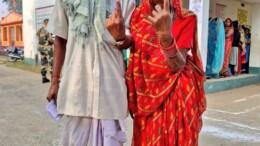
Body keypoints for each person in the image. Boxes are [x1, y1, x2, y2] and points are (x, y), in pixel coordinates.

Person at [46, 0, 135, 145]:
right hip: (77, 87)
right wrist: (55, 81)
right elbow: (60, 38)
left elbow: (131, 40)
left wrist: (121, 37)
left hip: (110, 88)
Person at [126, 0, 207, 145]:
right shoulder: (137, 15)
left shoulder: (186, 18)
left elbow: (177, 65)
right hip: (144, 96)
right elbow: (133, 47)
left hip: (175, 95)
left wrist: (166, 37)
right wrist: (120, 38)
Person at [36, 19, 54, 83]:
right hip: (47, 49)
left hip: (41, 49)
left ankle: (44, 78)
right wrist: (54, 42)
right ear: (47, 23)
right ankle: (53, 79)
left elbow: (37, 35)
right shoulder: (47, 30)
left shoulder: (40, 30)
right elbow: (50, 40)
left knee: (43, 63)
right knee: (52, 63)